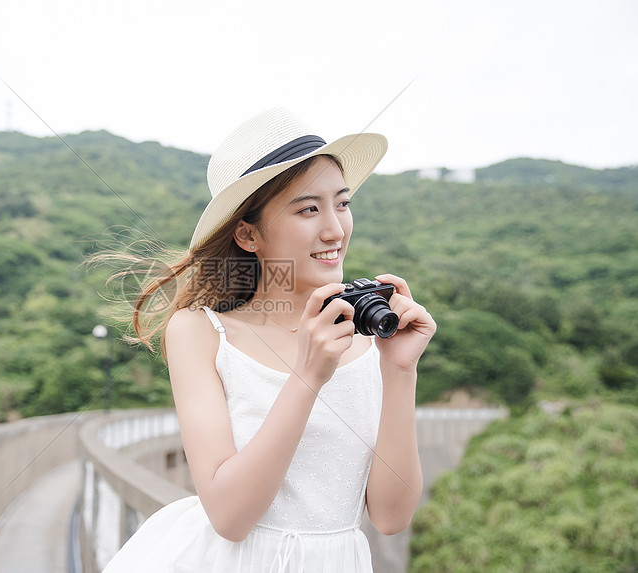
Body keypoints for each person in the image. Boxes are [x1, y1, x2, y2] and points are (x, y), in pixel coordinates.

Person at [102, 107, 436, 572]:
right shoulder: (201, 332)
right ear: (248, 234)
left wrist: (399, 370)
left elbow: (391, 517)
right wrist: (308, 376)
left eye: (342, 203)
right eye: (308, 209)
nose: (335, 229)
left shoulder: (368, 344)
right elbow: (230, 518)